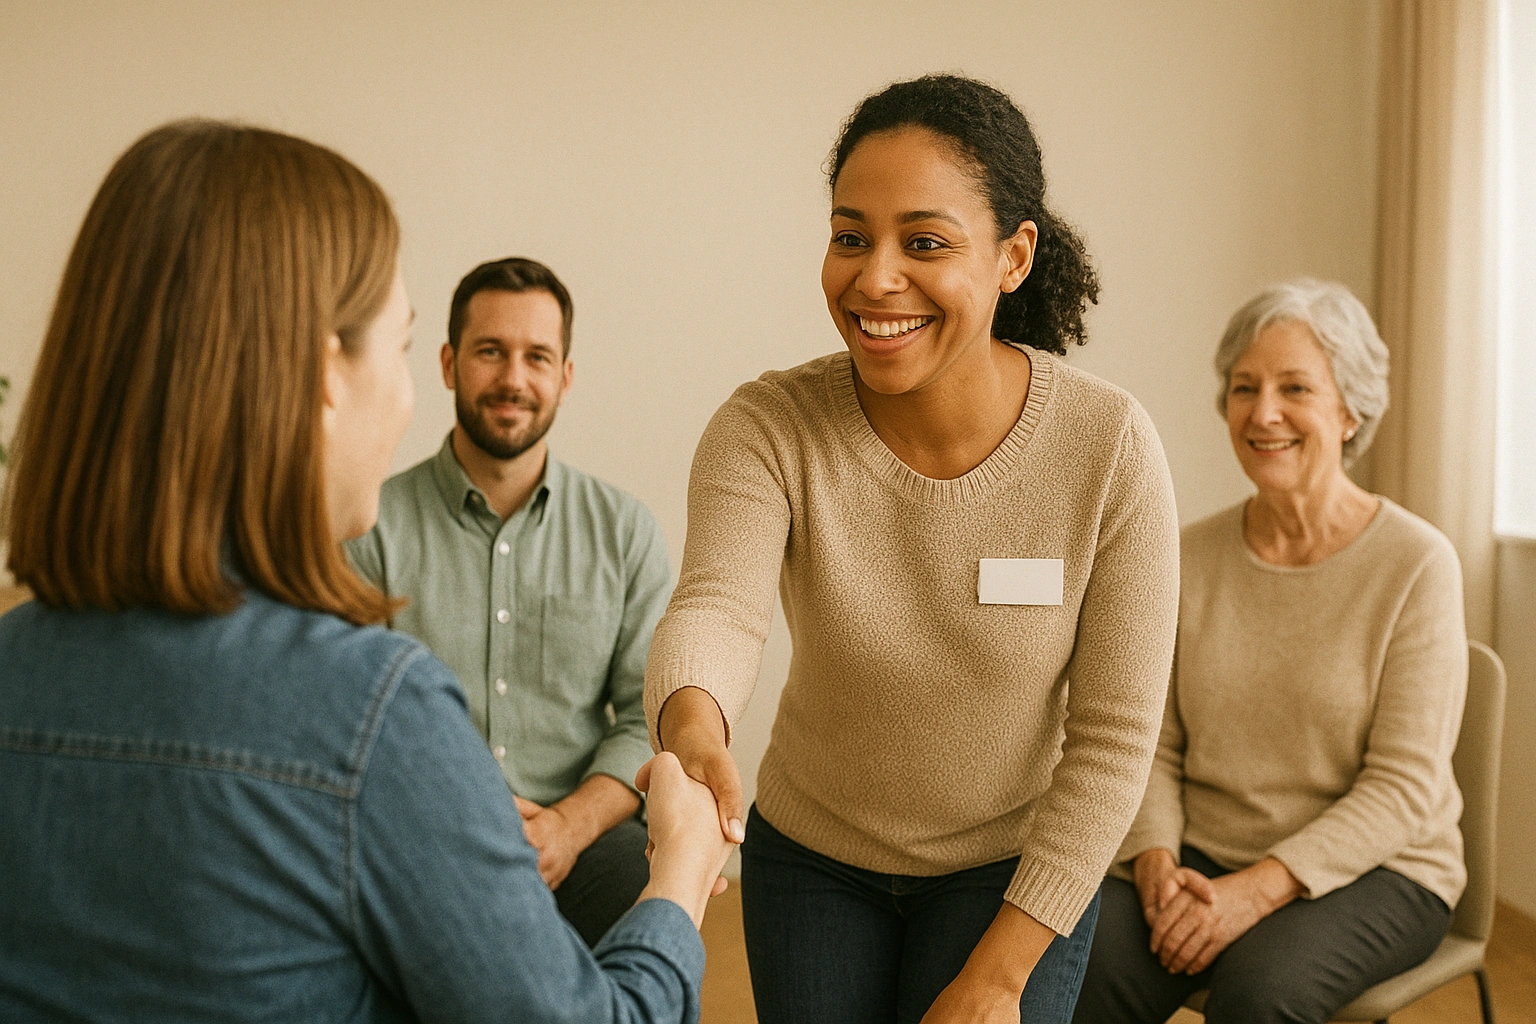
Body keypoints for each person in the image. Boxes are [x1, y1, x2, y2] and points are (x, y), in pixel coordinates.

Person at [0, 119, 732, 1023]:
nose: (409, 396)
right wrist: (684, 873)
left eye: (537, 356)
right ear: (324, 374)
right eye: (399, 345)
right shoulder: (375, 712)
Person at [644, 74, 1181, 1024]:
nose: (875, 277)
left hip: (1013, 871)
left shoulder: (1108, 448)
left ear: (1014, 257)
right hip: (813, 860)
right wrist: (693, 727)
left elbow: (1112, 745)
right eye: (851, 236)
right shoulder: (769, 427)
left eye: (924, 242)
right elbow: (717, 609)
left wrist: (998, 978)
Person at [1073, 279, 1466, 1024]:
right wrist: (1157, 860)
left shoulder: (1417, 564)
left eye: (1295, 388)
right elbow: (1151, 741)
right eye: (1244, 388)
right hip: (1201, 856)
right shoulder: (1186, 556)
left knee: (1260, 993)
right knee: (1074, 960)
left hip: (1381, 870)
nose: (1264, 413)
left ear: (1350, 410)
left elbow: (1403, 786)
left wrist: (1252, 893)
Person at [346, 256, 670, 946]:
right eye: (490, 352)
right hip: (419, 843)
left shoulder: (624, 531)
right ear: (447, 363)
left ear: (566, 376)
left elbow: (650, 719)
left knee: (643, 889)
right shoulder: (369, 524)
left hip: (579, 842)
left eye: (537, 357)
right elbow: (342, 715)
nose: (514, 379)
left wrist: (567, 827)